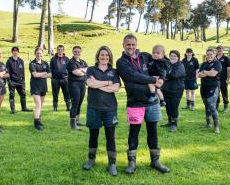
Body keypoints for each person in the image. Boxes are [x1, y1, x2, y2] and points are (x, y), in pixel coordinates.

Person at [117, 34, 170, 174]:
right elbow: (132, 76)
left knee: (153, 131)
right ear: (123, 44)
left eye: (133, 44)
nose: (131, 47)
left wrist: (162, 78)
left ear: (136, 44)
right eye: (128, 44)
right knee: (134, 132)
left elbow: (162, 63)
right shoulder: (121, 62)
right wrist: (153, 79)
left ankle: (155, 161)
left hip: (152, 102)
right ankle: (131, 163)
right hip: (135, 102)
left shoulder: (146, 56)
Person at [82, 46, 120, 176]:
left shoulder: (114, 72)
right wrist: (107, 83)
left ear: (109, 57)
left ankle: (112, 163)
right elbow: (90, 84)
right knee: (93, 135)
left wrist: (98, 84)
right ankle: (91, 159)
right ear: (98, 56)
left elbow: (116, 88)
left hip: (110, 109)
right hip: (94, 108)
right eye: (102, 55)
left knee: (110, 136)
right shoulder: (91, 69)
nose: (104, 57)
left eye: (107, 55)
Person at [198, 49, 222, 134]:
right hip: (203, 87)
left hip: (213, 87)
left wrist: (205, 72)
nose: (209, 56)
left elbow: (213, 74)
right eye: (208, 54)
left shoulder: (217, 63)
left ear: (214, 55)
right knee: (206, 106)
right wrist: (207, 72)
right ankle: (208, 123)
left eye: (211, 54)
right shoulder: (203, 64)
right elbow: (199, 75)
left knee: (212, 106)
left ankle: (216, 126)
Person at [161, 50, 186, 132]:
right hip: (166, 90)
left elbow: (174, 75)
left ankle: (174, 124)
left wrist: (164, 75)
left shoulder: (180, 66)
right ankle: (169, 121)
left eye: (175, 56)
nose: (173, 57)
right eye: (171, 55)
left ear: (178, 57)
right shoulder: (169, 65)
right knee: (167, 106)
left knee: (173, 107)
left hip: (176, 90)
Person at [29, 47, 51, 130]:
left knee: (40, 105)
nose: (39, 55)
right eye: (37, 53)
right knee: (38, 104)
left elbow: (50, 74)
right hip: (35, 86)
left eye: (40, 53)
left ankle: (39, 120)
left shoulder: (45, 63)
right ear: (35, 54)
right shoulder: (32, 63)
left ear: (42, 54)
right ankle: (36, 123)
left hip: (43, 86)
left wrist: (41, 74)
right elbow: (34, 75)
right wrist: (44, 73)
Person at [66, 46, 88, 130]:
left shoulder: (83, 61)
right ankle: (73, 124)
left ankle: (77, 120)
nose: (77, 53)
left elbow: (88, 70)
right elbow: (76, 72)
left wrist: (81, 70)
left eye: (78, 51)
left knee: (79, 103)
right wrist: (83, 71)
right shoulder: (71, 62)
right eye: (75, 51)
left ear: (80, 52)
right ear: (73, 52)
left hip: (82, 84)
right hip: (74, 85)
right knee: (75, 104)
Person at [6, 46, 32, 114]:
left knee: (23, 94)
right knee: (12, 95)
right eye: (14, 51)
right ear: (12, 52)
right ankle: (13, 109)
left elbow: (23, 72)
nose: (15, 52)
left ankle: (24, 108)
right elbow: (7, 72)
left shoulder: (21, 61)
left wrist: (23, 81)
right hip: (12, 81)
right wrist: (9, 81)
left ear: (18, 52)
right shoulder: (9, 61)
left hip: (20, 81)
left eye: (16, 51)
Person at [50, 45, 71, 112]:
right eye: (58, 49)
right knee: (55, 94)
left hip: (65, 79)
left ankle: (68, 107)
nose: (60, 50)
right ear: (57, 50)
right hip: (55, 79)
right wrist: (51, 77)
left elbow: (70, 69)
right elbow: (50, 68)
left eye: (61, 49)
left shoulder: (67, 59)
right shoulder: (53, 59)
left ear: (63, 50)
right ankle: (55, 108)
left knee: (67, 93)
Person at [216, 45, 230, 112]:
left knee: (224, 93)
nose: (219, 51)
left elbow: (229, 69)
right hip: (215, 79)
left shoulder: (226, 58)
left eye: (220, 50)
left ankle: (226, 107)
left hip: (223, 79)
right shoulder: (214, 58)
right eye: (218, 50)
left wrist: (228, 79)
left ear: (223, 50)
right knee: (216, 93)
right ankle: (216, 107)